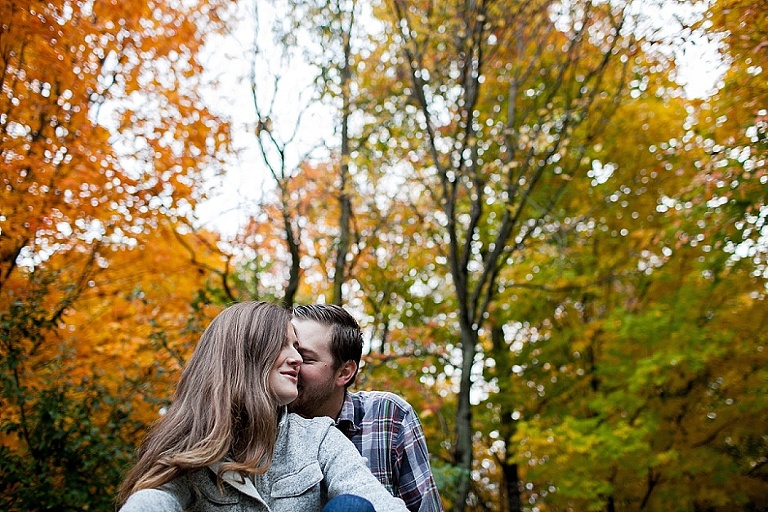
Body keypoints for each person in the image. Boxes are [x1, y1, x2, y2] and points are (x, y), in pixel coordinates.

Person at [117, 301, 409, 512]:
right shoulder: (194, 443)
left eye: (299, 350)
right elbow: (155, 499)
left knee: (352, 507)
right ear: (245, 354)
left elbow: (372, 495)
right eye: (283, 345)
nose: (295, 358)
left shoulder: (317, 436)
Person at [289, 304, 445, 512]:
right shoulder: (266, 421)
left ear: (345, 372)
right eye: (287, 350)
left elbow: (425, 508)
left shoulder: (390, 416)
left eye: (306, 359)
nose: (291, 363)